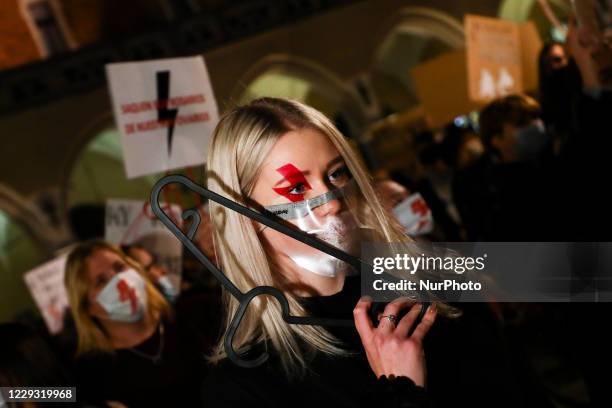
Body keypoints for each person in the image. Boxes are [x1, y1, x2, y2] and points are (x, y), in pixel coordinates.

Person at [201, 97, 439, 407]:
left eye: (336, 173)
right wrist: (401, 392)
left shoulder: (420, 292)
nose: (332, 201)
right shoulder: (245, 384)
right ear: (246, 214)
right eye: (297, 188)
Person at [64, 240, 215, 407]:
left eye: (120, 268)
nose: (121, 283)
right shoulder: (92, 372)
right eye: (101, 281)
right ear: (87, 308)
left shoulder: (198, 310)